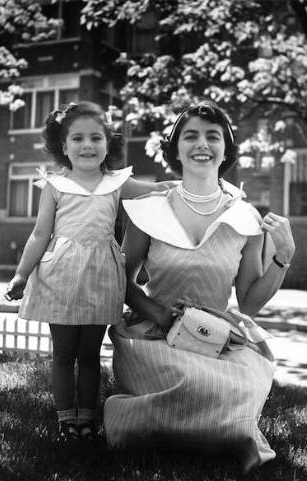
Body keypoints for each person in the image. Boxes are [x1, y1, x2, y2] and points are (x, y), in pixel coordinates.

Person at [104, 99, 295, 472]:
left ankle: (161, 422)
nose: (202, 144)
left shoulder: (245, 217)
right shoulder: (149, 208)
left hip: (217, 336)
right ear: (175, 149)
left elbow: (250, 303)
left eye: (213, 136)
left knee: (234, 386)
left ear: (226, 149)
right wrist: (159, 315)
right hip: (154, 334)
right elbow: (120, 280)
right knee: (198, 387)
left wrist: (283, 257)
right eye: (190, 136)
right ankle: (133, 415)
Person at [4, 101, 175, 444]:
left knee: (90, 353)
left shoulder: (116, 183)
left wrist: (196, 186)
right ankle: (66, 419)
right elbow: (40, 234)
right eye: (77, 138)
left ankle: (88, 417)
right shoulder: (55, 186)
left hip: (101, 277)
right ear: (63, 146)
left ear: (108, 144)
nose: (87, 145)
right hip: (61, 276)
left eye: (96, 138)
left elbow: (157, 190)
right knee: (65, 353)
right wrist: (21, 275)